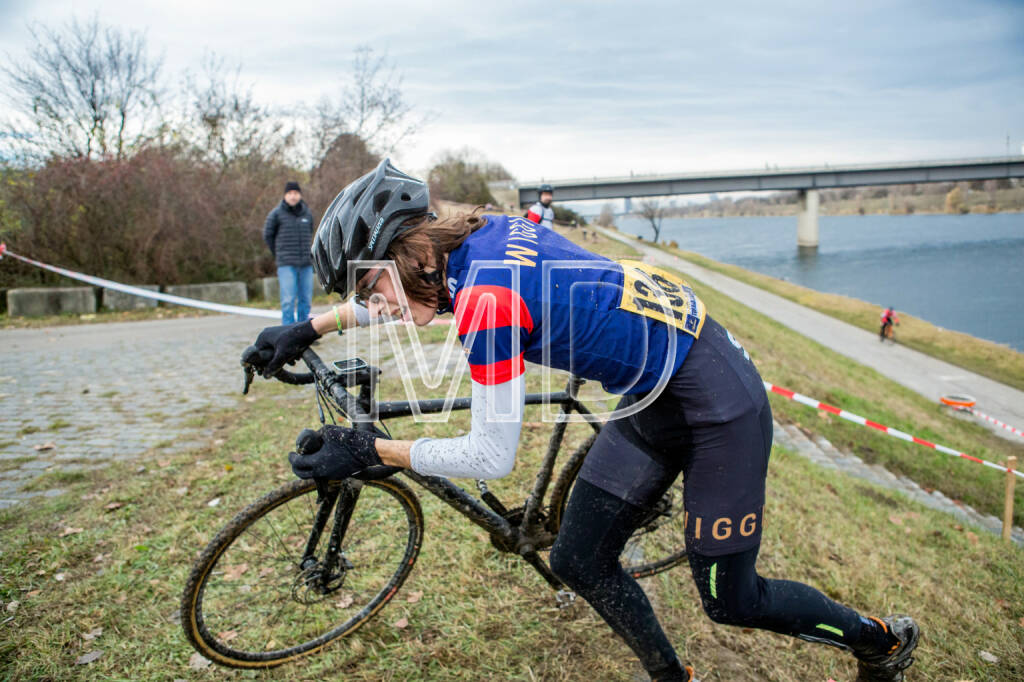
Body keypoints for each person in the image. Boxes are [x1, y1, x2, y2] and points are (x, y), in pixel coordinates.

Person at [245, 160, 920, 682]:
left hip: (719, 406)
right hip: (653, 391)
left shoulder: (485, 298)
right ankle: (670, 675)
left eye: (371, 287)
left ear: (412, 251)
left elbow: (489, 454)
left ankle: (881, 641)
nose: (377, 305)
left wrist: (372, 449)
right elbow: (420, 299)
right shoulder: (474, 236)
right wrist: (312, 324)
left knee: (731, 600)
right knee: (577, 557)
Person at [264, 181, 316, 324]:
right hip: (286, 264)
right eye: (290, 193)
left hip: (306, 264)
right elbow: (268, 235)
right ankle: (288, 332)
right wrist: (279, 254)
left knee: (305, 299)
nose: (293, 196)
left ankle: (303, 330)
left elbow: (311, 232)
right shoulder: (276, 214)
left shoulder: (307, 213)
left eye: (296, 193)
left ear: (300, 195)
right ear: (285, 195)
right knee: (288, 300)